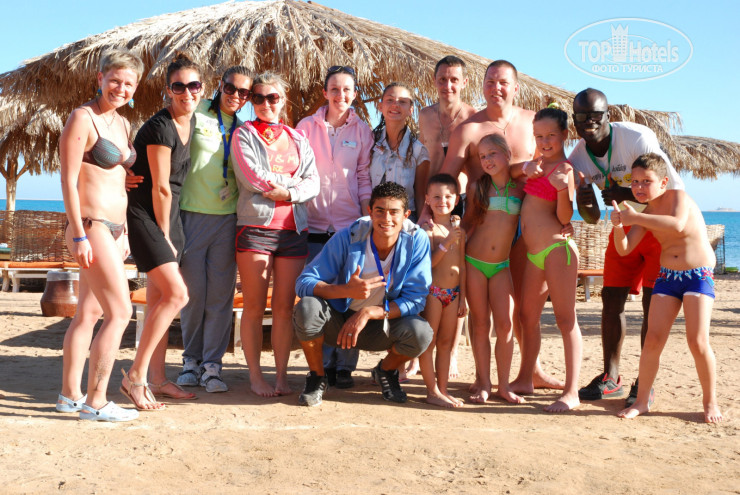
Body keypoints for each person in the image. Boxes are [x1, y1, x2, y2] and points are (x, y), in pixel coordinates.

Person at [434, 59, 563, 391]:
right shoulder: (468, 129)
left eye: (503, 82)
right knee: (485, 317)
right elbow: (448, 176)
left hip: (528, 222)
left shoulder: (533, 122)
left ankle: (529, 371)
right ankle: (486, 378)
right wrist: (427, 215)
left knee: (525, 308)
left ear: (515, 87)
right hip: (485, 219)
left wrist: (564, 215)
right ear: (482, 86)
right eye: (490, 82)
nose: (496, 88)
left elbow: (552, 162)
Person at [569, 88, 684, 406]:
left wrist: (625, 193)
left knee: (652, 303)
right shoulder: (577, 158)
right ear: (575, 121)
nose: (589, 122)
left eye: (596, 115)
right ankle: (611, 378)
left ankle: (644, 382)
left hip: (658, 224)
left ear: (608, 115)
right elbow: (593, 218)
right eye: (582, 116)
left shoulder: (637, 138)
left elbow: (668, 189)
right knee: (611, 298)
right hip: (625, 227)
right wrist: (584, 198)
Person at [57, 49, 144, 422]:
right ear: (100, 79)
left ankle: (69, 395)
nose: (121, 88)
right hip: (90, 226)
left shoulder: (122, 123)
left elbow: (113, 172)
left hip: (114, 229)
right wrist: (79, 235)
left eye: (128, 84)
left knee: (89, 313)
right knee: (120, 312)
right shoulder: (83, 117)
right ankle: (96, 401)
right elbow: (68, 180)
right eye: (115, 80)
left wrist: (123, 228)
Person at [293, 182, 433, 407]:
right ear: (369, 211)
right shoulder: (348, 236)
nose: (386, 218)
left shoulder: (417, 240)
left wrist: (370, 312)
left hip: (382, 324)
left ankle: (386, 371)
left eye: (394, 212)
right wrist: (344, 290)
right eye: (380, 211)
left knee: (421, 333)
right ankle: (317, 377)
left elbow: (416, 299)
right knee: (307, 307)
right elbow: (303, 282)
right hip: (339, 323)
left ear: (406, 215)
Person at [613, 153, 722, 423]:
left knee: (697, 341)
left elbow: (677, 224)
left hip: (697, 275)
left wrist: (634, 218)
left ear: (663, 182)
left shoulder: (678, 198)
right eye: (634, 182)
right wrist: (618, 226)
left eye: (646, 181)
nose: (639, 187)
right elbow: (625, 249)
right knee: (652, 340)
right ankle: (641, 402)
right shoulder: (645, 213)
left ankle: (710, 403)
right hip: (667, 277)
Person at [231, 72, 319, 397]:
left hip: (293, 229)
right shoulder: (243, 134)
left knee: (284, 308)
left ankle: (281, 376)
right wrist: (293, 184)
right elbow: (251, 177)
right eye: (258, 98)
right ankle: (256, 376)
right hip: (255, 228)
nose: (265, 103)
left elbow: (314, 182)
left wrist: (289, 193)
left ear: (283, 100)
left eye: (273, 97)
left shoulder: (298, 138)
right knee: (254, 307)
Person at [123, 53, 202, 410]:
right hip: (148, 217)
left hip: (171, 218)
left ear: (202, 88)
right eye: (178, 86)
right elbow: (160, 187)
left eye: (193, 85)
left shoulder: (193, 119)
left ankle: (156, 378)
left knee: (158, 301)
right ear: (168, 90)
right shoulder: (160, 126)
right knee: (177, 295)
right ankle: (135, 377)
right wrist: (166, 234)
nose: (187, 92)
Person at [296, 65, 373, 390]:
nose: (341, 95)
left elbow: (363, 177)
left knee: (350, 296)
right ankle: (324, 365)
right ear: (325, 92)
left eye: (347, 90)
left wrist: (366, 221)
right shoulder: (305, 127)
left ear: (354, 94)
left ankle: (344, 366)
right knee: (321, 295)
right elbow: (298, 172)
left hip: (349, 227)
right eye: (335, 89)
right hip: (313, 225)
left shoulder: (362, 130)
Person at [176, 66, 253, 393]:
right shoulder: (196, 111)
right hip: (191, 215)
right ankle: (190, 361)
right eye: (231, 88)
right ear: (220, 85)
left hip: (228, 219)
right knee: (192, 295)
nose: (236, 96)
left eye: (244, 92)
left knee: (221, 296)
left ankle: (212, 366)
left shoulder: (245, 128)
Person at [515, 106, 582, 412]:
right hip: (534, 253)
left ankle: (571, 391)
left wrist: (562, 190)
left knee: (566, 320)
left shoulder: (565, 170)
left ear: (564, 135)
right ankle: (526, 378)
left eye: (551, 135)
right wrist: (526, 167)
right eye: (539, 136)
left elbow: (565, 217)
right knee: (527, 317)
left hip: (557, 250)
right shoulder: (538, 163)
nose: (544, 141)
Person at [418, 55, 476, 379]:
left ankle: (451, 352)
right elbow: (426, 161)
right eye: (442, 79)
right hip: (431, 200)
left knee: (455, 268)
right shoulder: (424, 115)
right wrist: (423, 205)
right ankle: (420, 350)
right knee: (425, 271)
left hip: (459, 202)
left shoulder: (472, 117)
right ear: (435, 81)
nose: (448, 85)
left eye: (454, 79)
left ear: (464, 83)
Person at [464, 134, 525, 404]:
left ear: (507, 154)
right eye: (482, 156)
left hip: (501, 265)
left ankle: (504, 385)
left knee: (506, 324)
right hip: (474, 262)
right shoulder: (477, 187)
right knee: (480, 324)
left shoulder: (521, 189)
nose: (487, 160)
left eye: (492, 154)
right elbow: (467, 224)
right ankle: (484, 383)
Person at [418, 173, 466, 408]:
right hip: (433, 293)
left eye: (447, 197)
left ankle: (443, 390)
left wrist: (463, 298)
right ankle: (432, 390)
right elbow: (428, 264)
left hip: (454, 293)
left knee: (446, 344)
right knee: (429, 342)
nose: (442, 201)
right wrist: (446, 243)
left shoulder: (459, 230)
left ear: (456, 200)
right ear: (427, 199)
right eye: (436, 196)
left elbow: (462, 265)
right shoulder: (426, 229)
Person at [369, 82, 430, 221]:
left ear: (410, 110)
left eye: (402, 102)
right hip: (373, 218)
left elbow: (420, 195)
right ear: (380, 106)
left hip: (406, 221)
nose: (395, 105)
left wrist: (420, 225)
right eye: (390, 100)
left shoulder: (419, 151)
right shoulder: (368, 143)